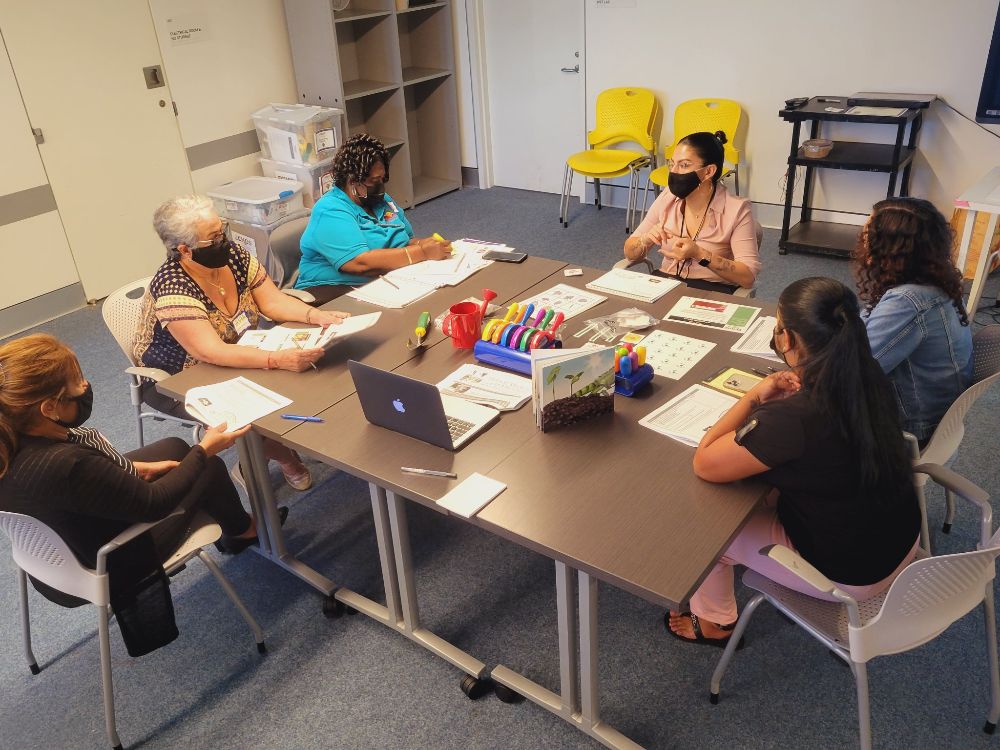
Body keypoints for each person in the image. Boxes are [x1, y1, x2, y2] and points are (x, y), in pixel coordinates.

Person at [666, 278, 920, 647]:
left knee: (710, 525)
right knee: (757, 487)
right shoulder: (867, 375)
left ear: (787, 340)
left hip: (855, 575)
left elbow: (705, 462)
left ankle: (714, 624)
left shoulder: (792, 419)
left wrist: (754, 397)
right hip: (902, 543)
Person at [0, 335, 266, 654]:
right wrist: (205, 449)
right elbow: (154, 506)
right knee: (205, 468)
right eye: (78, 384)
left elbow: (86, 481)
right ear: (49, 408)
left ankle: (237, 528)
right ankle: (243, 530)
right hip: (109, 560)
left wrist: (138, 469)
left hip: (50, 558)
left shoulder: (11, 443)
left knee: (175, 449)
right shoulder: (68, 465)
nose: (86, 386)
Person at [134, 194, 351, 490]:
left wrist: (316, 316)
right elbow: (211, 352)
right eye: (214, 237)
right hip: (179, 378)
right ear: (185, 249)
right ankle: (280, 456)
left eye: (221, 229)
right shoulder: (174, 288)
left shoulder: (232, 255)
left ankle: (263, 451)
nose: (224, 239)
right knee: (252, 408)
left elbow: (273, 303)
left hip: (232, 352)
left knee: (303, 375)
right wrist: (277, 359)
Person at [854, 197, 973, 444]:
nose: (862, 240)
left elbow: (853, 368)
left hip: (911, 431)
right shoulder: (936, 282)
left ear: (890, 247)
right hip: (936, 419)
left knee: (795, 411)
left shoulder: (908, 301)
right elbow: (865, 326)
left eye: (868, 236)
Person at [294, 133, 453, 305]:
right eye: (373, 180)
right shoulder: (330, 209)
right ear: (352, 181)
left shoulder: (381, 201)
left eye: (382, 179)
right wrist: (422, 253)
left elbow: (407, 240)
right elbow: (359, 262)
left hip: (384, 281)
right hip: (333, 289)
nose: (380, 186)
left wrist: (426, 244)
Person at [623, 131, 760, 294]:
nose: (674, 172)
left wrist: (699, 253)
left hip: (712, 292)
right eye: (672, 164)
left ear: (709, 171)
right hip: (666, 285)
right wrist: (644, 241)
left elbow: (748, 276)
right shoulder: (667, 197)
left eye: (684, 165)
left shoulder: (737, 210)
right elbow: (630, 253)